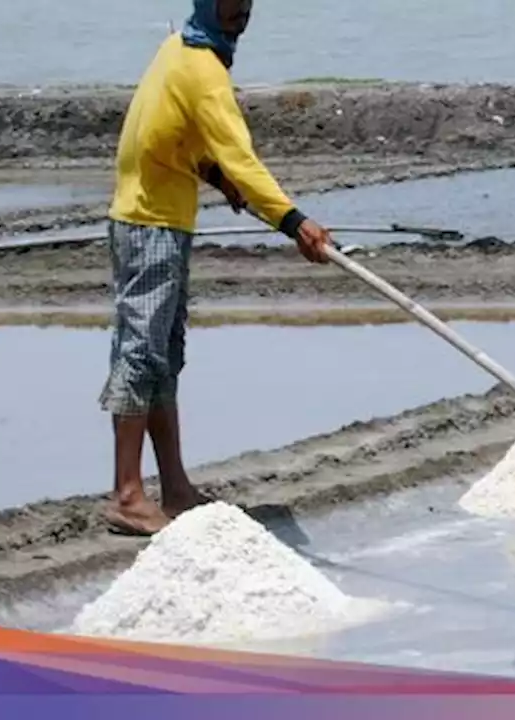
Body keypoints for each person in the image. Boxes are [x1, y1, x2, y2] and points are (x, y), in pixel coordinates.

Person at [99, 0, 331, 535]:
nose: (239, 13)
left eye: (246, 4)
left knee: (164, 355)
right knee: (141, 354)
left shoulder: (181, 50)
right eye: (228, 3)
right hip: (148, 223)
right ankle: (128, 495)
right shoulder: (201, 69)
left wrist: (211, 174)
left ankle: (175, 488)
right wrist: (294, 222)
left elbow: (167, 134)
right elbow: (242, 157)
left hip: (162, 220)